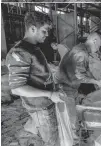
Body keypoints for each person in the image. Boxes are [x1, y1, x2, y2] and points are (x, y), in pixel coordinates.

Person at [6, 12, 64, 146]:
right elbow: (17, 88)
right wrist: (49, 93)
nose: (47, 34)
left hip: (45, 103)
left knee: (53, 136)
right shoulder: (20, 52)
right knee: (52, 141)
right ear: (32, 29)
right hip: (40, 107)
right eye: (44, 31)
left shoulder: (33, 48)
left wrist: (53, 84)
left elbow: (37, 73)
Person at [55, 32, 101, 103]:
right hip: (65, 87)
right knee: (71, 111)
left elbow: (86, 70)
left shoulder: (81, 48)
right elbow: (81, 77)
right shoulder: (81, 53)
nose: (98, 49)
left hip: (67, 84)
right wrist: (97, 82)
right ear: (95, 41)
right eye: (99, 46)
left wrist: (95, 82)